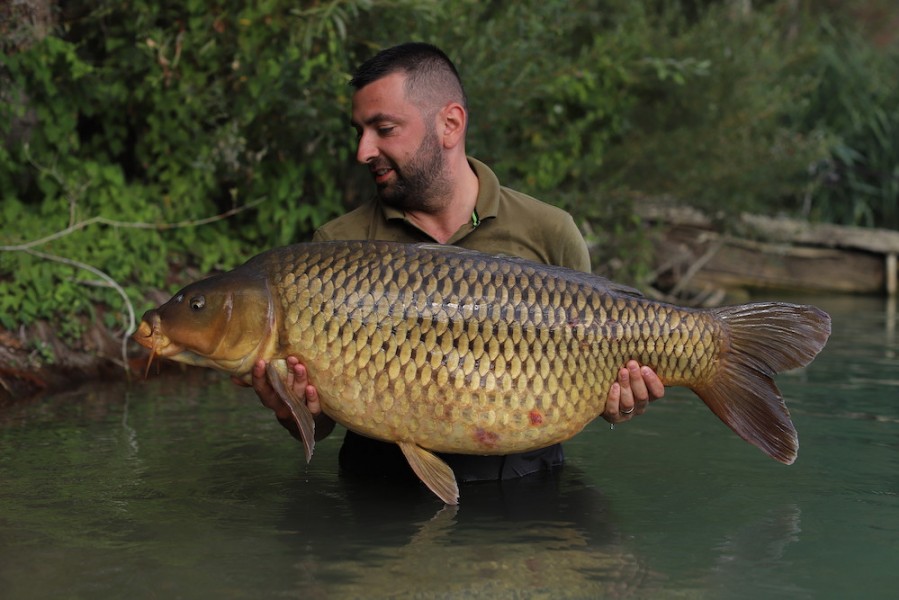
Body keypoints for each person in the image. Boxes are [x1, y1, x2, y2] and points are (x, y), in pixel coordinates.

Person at [243, 42, 665, 482]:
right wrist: (288, 408)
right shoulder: (337, 246)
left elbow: (598, 389)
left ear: (450, 124)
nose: (363, 151)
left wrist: (622, 404)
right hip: (381, 490)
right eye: (359, 132)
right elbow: (322, 421)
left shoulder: (549, 231)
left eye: (384, 129)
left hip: (527, 490)